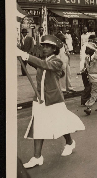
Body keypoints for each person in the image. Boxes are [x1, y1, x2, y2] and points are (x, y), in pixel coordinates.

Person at [16, 35, 85, 168]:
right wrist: (20, 54)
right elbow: (37, 64)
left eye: (48, 46)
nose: (44, 48)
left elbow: (44, 65)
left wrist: (26, 56)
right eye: (43, 46)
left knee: (61, 123)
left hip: (54, 99)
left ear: (54, 49)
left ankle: (70, 143)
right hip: (39, 99)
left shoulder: (56, 61)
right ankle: (37, 157)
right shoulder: (44, 60)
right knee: (38, 126)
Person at [82, 41, 97, 115]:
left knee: (94, 92)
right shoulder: (86, 58)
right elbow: (86, 67)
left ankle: (88, 107)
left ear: (92, 50)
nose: (86, 50)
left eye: (87, 49)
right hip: (90, 77)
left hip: (96, 77)